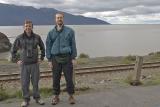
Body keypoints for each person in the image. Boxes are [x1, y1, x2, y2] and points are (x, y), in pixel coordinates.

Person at [11, 20, 45, 107]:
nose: (28, 27)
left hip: (35, 64)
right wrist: (16, 60)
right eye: (26, 26)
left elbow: (42, 48)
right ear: (24, 27)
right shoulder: (19, 38)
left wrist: (41, 58)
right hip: (24, 65)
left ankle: (37, 98)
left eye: (29, 26)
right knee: (24, 83)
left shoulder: (37, 37)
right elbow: (13, 50)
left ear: (32, 27)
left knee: (35, 82)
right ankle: (26, 100)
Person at [46, 13, 77, 105]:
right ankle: (56, 97)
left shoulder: (70, 31)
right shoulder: (51, 33)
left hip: (67, 58)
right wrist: (49, 59)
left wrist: (73, 57)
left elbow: (73, 44)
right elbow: (48, 46)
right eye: (57, 18)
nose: (59, 19)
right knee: (55, 78)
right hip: (55, 58)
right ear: (55, 20)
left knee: (69, 78)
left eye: (61, 18)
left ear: (63, 19)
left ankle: (71, 96)